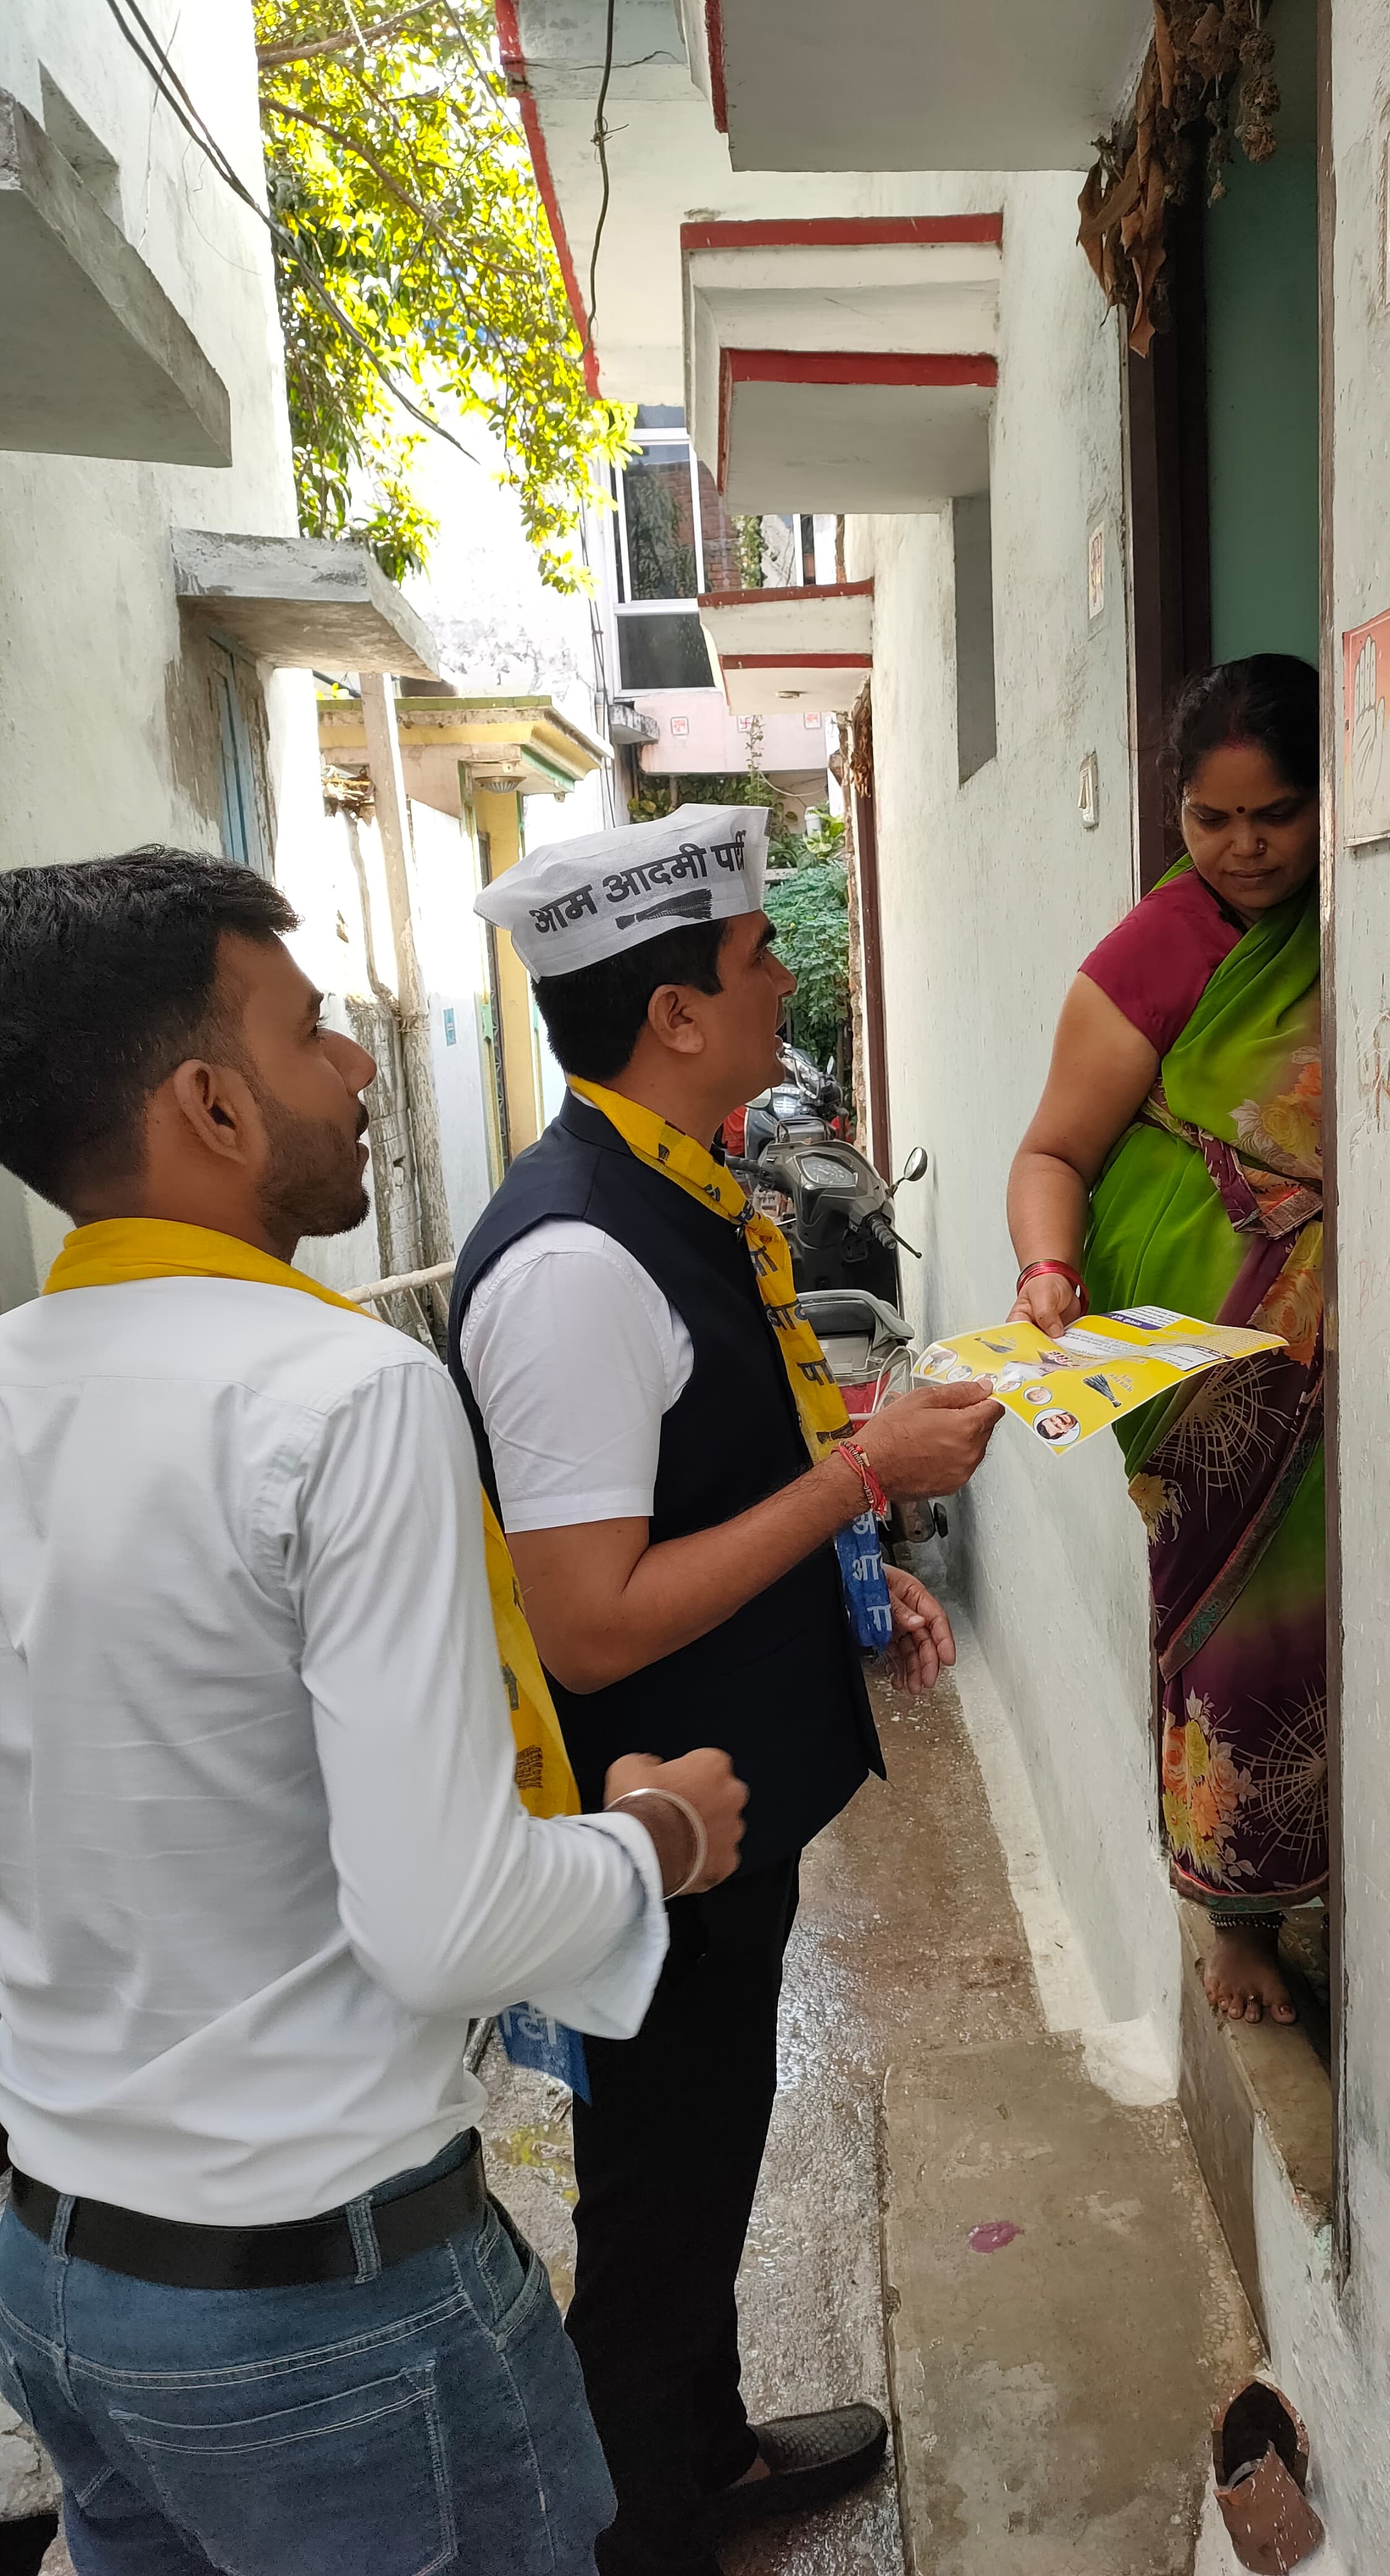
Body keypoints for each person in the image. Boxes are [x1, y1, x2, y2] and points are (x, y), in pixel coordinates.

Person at [0, 850, 750, 2575]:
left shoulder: (25, 1382)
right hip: (313, 2311)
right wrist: (657, 1840)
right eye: (312, 1031)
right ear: (210, 1104)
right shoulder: (342, 1397)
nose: (353, 1070)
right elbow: (448, 1923)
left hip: (63, 2280)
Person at [453, 807, 1003, 2576]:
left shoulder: (679, 1192)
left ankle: (705, 2445)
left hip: (726, 1821)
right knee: (662, 2213)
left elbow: (704, 1483)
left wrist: (858, 1572)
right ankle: (647, 2527)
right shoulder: (574, 1264)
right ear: (677, 1014)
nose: (787, 978)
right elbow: (594, 1621)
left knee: (700, 2172)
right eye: (760, 959)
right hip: (656, 1836)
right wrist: (864, 1479)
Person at [1007, 657, 1328, 2027]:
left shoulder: (1366, 912)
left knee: (1338, 1634)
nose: (1244, 848)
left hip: (1337, 1363)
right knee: (1228, 1641)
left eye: (1276, 813)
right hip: (1194, 1377)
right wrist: (1046, 1268)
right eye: (1211, 819)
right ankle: (1235, 1917)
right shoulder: (1161, 949)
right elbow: (1052, 1149)